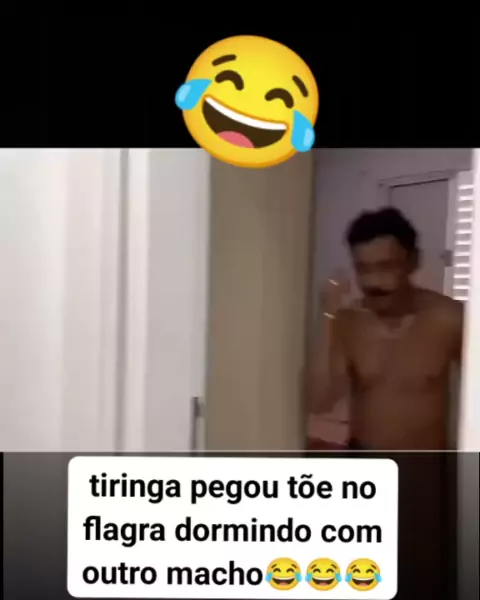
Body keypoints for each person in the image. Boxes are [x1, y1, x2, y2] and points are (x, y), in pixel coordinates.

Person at [306, 207, 464, 451]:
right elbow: (321, 399)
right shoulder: (349, 320)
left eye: (386, 266)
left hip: (427, 464)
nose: (373, 282)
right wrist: (328, 314)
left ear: (413, 261)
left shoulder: (448, 317)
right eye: (363, 269)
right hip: (365, 462)